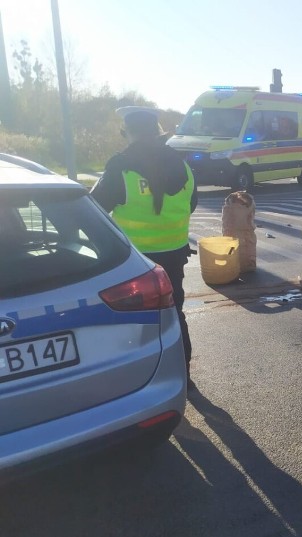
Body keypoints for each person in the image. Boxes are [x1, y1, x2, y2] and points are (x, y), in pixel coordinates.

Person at [91, 106, 197, 387]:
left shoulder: (120, 166)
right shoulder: (183, 165)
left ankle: (145, 382)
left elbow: (95, 210)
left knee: (136, 324)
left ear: (128, 133)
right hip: (174, 255)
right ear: (158, 132)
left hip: (134, 262)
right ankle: (183, 374)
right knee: (174, 314)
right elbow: (192, 203)